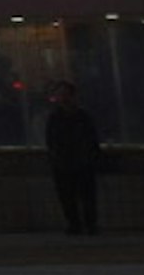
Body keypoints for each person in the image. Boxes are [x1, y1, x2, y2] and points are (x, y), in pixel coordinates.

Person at [44, 80, 103, 235]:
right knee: (69, 196)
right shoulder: (60, 117)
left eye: (65, 94)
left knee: (84, 195)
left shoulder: (77, 116)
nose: (63, 98)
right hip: (66, 162)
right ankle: (77, 223)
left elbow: (91, 138)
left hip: (78, 161)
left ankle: (86, 223)